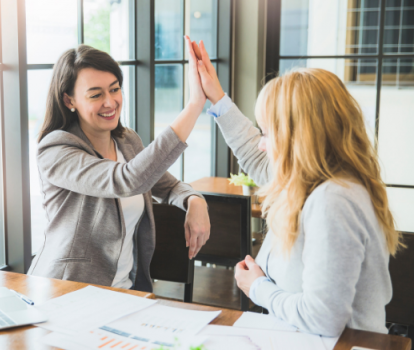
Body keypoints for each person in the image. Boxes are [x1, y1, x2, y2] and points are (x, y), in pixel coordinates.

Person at [189, 38, 403, 336]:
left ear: (297, 139)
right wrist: (217, 97)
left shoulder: (334, 200)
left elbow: (323, 319)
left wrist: (258, 288)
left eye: (267, 132)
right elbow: (255, 155)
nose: (262, 144)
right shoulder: (313, 182)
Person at [28, 39, 211, 292]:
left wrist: (194, 200)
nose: (110, 102)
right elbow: (127, 180)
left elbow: (167, 185)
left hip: (124, 292)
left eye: (114, 89)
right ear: (69, 101)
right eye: (95, 94)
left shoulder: (127, 141)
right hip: (66, 291)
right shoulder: (56, 149)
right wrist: (194, 106)